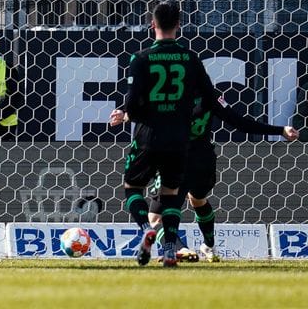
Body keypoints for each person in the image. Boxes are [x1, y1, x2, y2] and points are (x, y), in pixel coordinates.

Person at [110, 91, 299, 263]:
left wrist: (125, 114)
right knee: (198, 200)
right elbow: (240, 123)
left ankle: (180, 249)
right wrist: (280, 130)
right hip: (205, 162)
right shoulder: (211, 95)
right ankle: (209, 245)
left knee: (155, 218)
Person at [122, 0, 216, 267]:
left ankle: (145, 231)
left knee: (132, 188)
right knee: (171, 193)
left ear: (152, 25)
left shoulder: (141, 58)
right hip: (178, 138)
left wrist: (139, 116)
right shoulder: (190, 58)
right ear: (179, 26)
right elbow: (209, 98)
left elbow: (131, 104)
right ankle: (168, 251)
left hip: (148, 135)